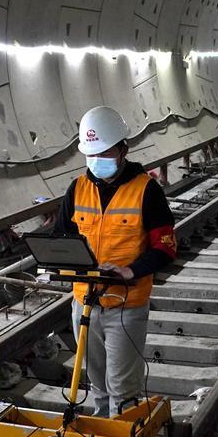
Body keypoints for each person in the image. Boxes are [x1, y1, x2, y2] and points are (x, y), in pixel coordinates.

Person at [54, 106, 177, 417]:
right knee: (98, 384)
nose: (97, 161)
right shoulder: (77, 188)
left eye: (104, 153)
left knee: (122, 388)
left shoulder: (146, 190)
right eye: (91, 154)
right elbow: (62, 236)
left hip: (126, 304)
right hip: (84, 303)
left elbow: (165, 247)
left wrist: (131, 270)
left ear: (123, 148)